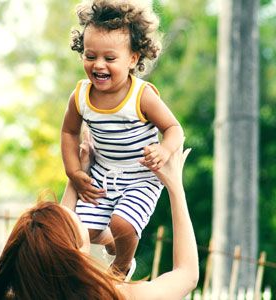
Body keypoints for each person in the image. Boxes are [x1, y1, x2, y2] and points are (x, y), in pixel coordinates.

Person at [61, 0, 185, 279]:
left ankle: (121, 268)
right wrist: (74, 171)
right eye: (90, 56)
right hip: (103, 174)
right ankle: (113, 241)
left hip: (141, 176)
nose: (98, 65)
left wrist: (164, 150)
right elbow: (69, 132)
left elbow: (174, 128)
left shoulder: (141, 96)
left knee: (123, 224)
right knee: (83, 232)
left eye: (110, 58)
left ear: (133, 58)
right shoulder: (80, 96)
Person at [0, 145, 198, 299]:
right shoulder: (114, 296)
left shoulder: (18, 294)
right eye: (82, 227)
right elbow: (187, 275)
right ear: (76, 255)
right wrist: (175, 186)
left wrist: (80, 173)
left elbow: (57, 240)